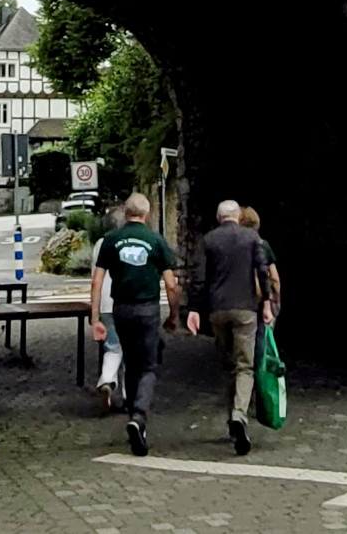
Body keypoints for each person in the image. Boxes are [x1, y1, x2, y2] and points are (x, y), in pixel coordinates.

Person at [90, 192, 180, 456]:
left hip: (121, 309)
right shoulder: (156, 240)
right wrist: (174, 315)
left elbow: (97, 281)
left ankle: (132, 417)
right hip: (147, 309)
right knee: (148, 367)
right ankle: (139, 416)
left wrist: (95, 318)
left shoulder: (111, 240)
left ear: (126, 213)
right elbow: (171, 284)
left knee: (129, 364)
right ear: (147, 214)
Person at [184, 199, 271, 457]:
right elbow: (263, 271)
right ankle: (238, 414)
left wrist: (194, 309)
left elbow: (199, 278)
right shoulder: (251, 238)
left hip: (218, 310)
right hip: (245, 309)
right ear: (238, 217)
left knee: (229, 365)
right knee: (245, 366)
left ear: (218, 217)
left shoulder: (209, 240)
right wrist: (266, 303)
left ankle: (233, 421)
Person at [94, 205, 125, 411]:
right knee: (130, 350)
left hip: (105, 303)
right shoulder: (127, 242)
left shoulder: (100, 244)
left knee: (112, 347)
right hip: (124, 301)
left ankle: (107, 380)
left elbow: (95, 278)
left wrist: (94, 313)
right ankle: (128, 397)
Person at [239, 206, 282, 322]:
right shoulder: (263, 245)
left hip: (239, 301)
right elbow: (275, 278)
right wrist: (277, 300)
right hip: (262, 300)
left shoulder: (233, 247)